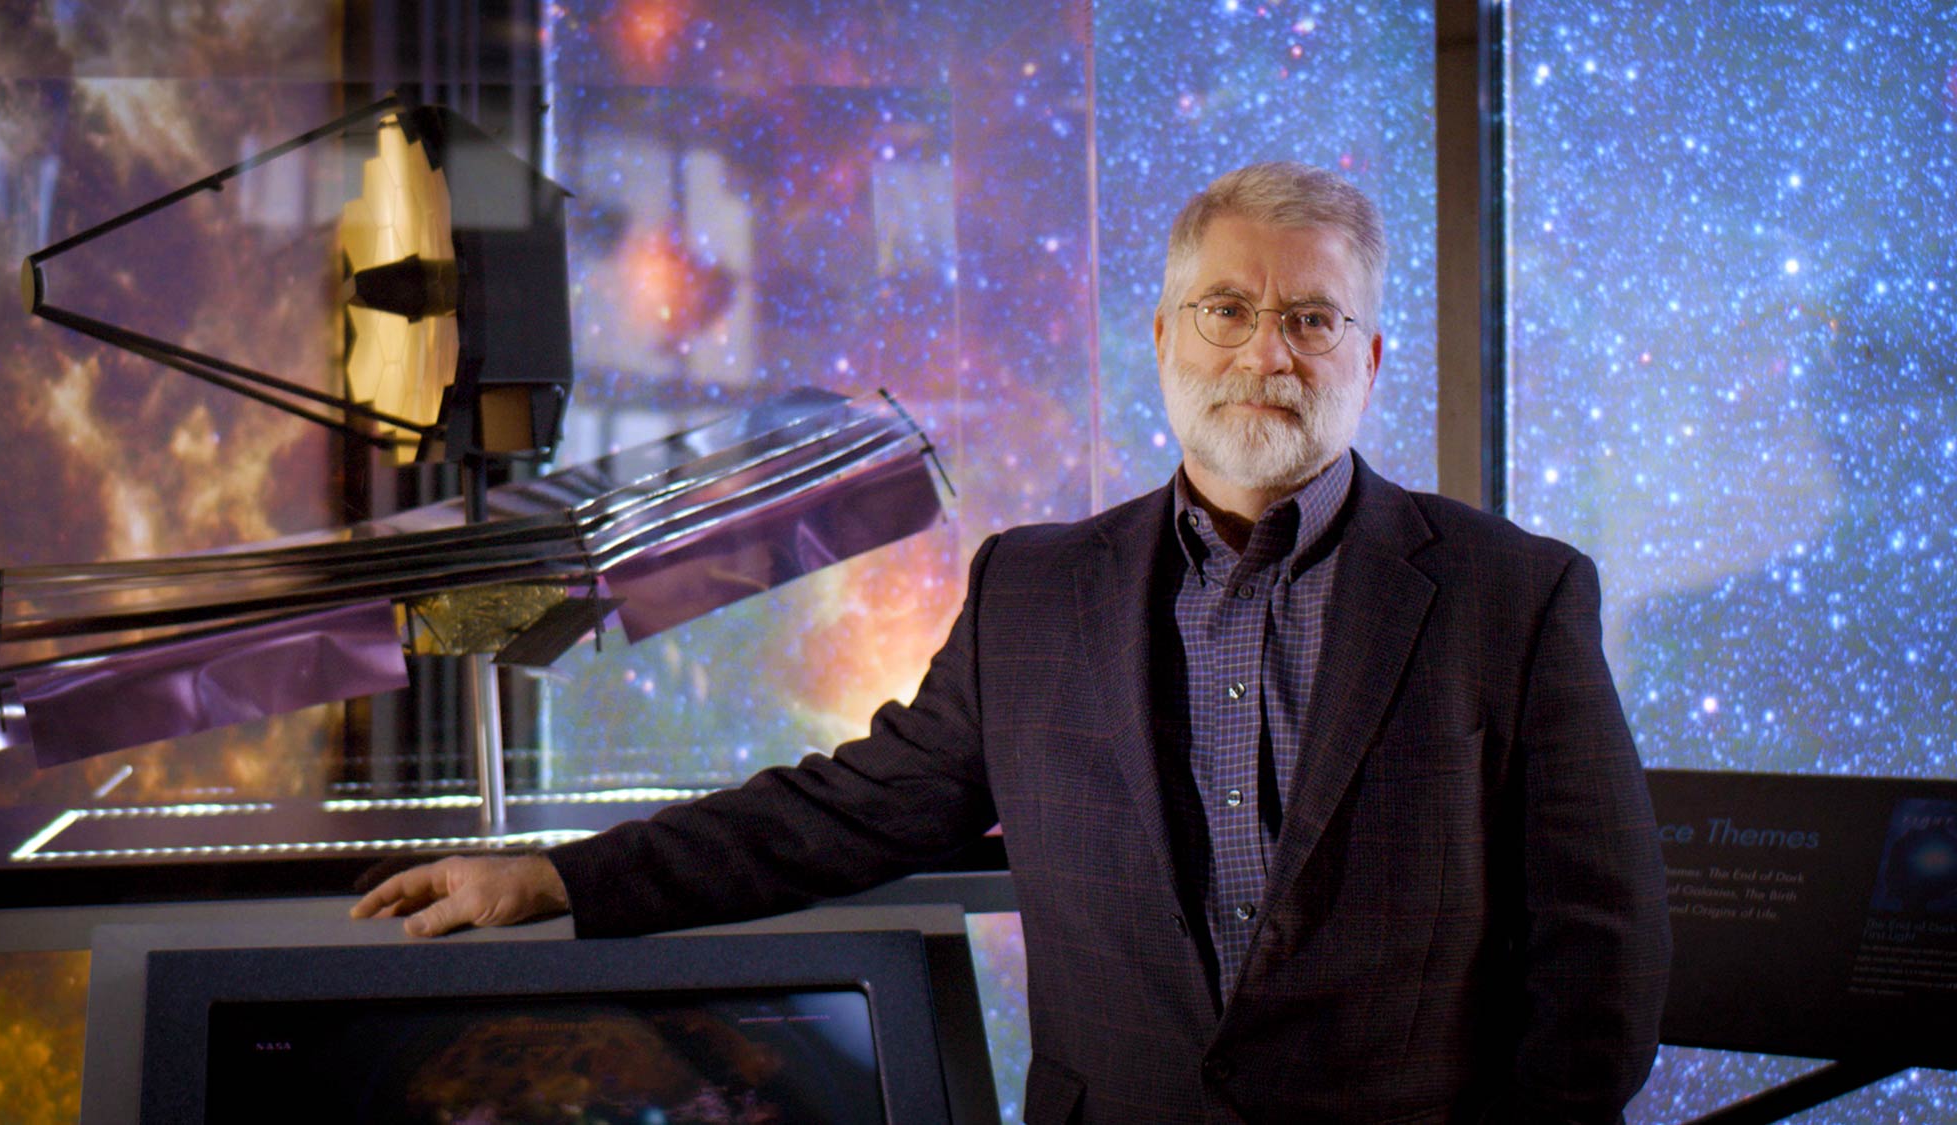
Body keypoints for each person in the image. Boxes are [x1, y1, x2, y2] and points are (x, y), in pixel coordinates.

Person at [355, 162, 1671, 1124]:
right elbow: (847, 811)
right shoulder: (1033, 591)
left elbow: (1598, 955)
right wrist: (559, 878)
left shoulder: (1517, 595)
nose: (1264, 349)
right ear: (1163, 340)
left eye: (1311, 318)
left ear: (1369, 358)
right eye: (1225, 308)